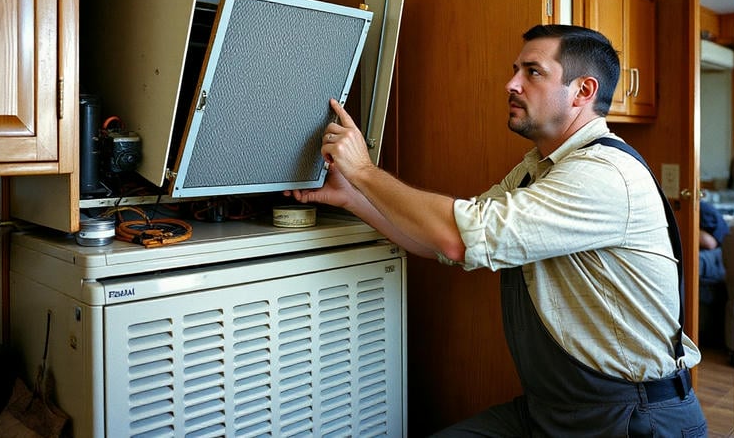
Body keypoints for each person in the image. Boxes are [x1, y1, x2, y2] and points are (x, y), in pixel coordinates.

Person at [287, 24, 706, 436]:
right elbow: (445, 244)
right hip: (551, 409)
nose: (511, 84)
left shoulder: (604, 174)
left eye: (533, 72)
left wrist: (363, 171)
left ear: (583, 91)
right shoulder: (535, 169)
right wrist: (352, 197)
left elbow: (456, 236)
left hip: (633, 417)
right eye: (515, 70)